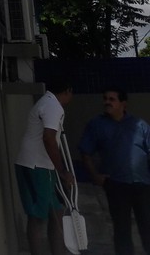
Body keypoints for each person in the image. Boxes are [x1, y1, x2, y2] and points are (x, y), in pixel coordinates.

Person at [79, 88, 150, 255]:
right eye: (105, 99)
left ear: (123, 104)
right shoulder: (97, 124)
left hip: (142, 185)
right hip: (116, 185)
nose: (107, 102)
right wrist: (95, 175)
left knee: (147, 226)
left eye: (112, 99)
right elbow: (85, 152)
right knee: (121, 229)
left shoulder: (139, 125)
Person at [15, 78, 75, 255]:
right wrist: (62, 172)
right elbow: (49, 138)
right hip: (36, 165)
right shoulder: (52, 106)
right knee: (38, 216)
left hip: (42, 165)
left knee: (56, 212)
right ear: (67, 90)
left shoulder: (47, 102)